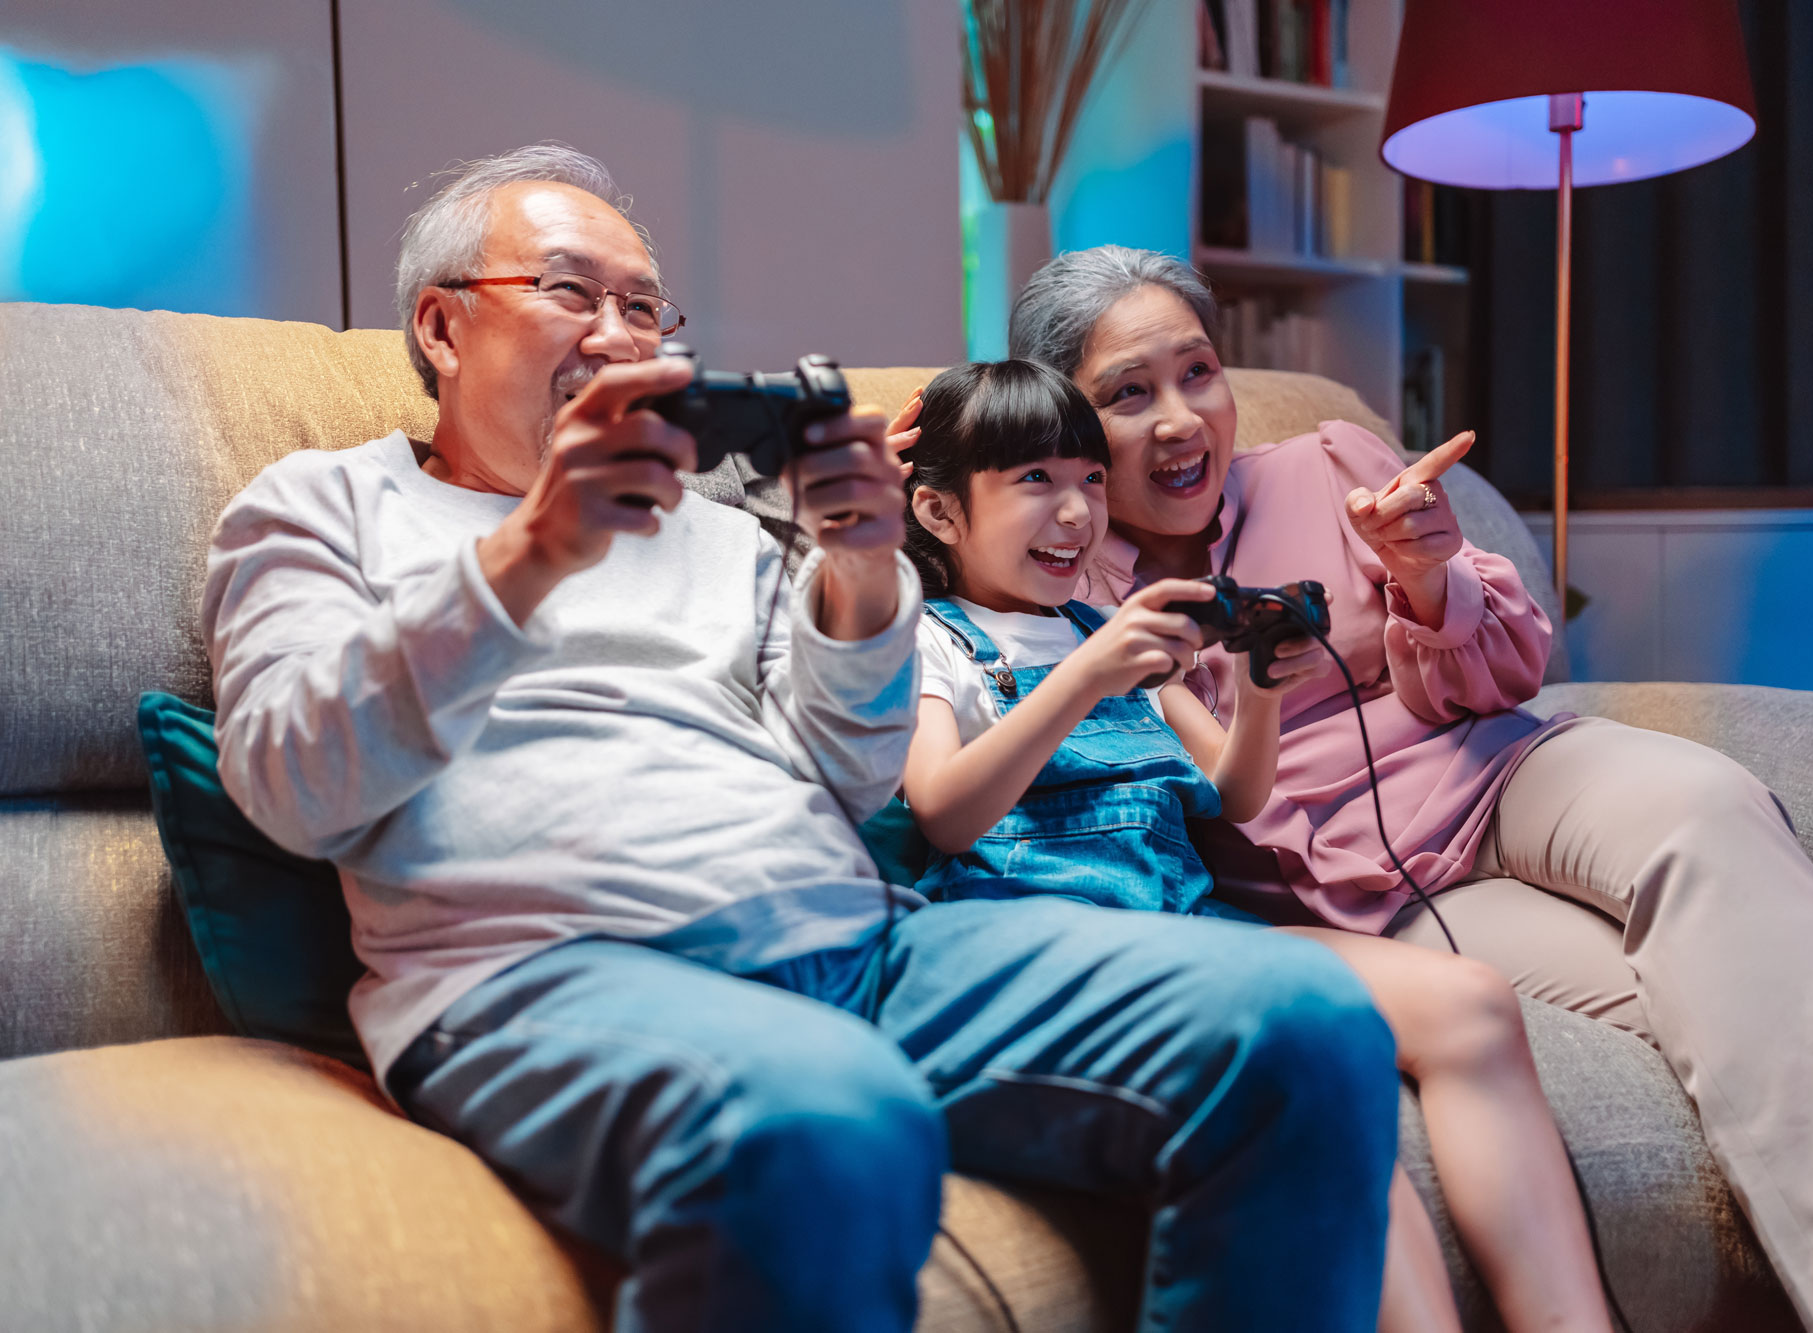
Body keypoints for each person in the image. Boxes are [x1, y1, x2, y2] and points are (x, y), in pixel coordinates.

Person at [200, 147, 1402, 1333]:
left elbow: (855, 769)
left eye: (643, 307)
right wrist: (534, 550)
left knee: (1303, 1019)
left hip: (859, 945)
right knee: (829, 1117)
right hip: (544, 974)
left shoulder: (718, 536)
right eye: (572, 291)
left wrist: (864, 569)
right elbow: (292, 787)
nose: (623, 336)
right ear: (442, 327)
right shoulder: (319, 506)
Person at [1000, 243, 1813, 1333]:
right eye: (1126, 395)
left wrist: (1428, 577)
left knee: (1704, 805)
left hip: (1498, 764)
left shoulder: (1324, 464)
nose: (1181, 418)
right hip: (1362, 895)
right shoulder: (1059, 570)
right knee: (1736, 988)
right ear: (1065, 419)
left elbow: (1512, 664)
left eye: (1197, 372)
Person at [892, 355, 1613, 1333]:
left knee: (1470, 1001)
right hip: (1045, 936)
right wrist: (1080, 680)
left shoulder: (1103, 625)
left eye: (1088, 481)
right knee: (1320, 1063)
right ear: (939, 513)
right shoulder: (925, 639)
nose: (1074, 514)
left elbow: (1233, 794)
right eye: (1034, 482)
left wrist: (1262, 689)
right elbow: (940, 810)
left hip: (1188, 918)